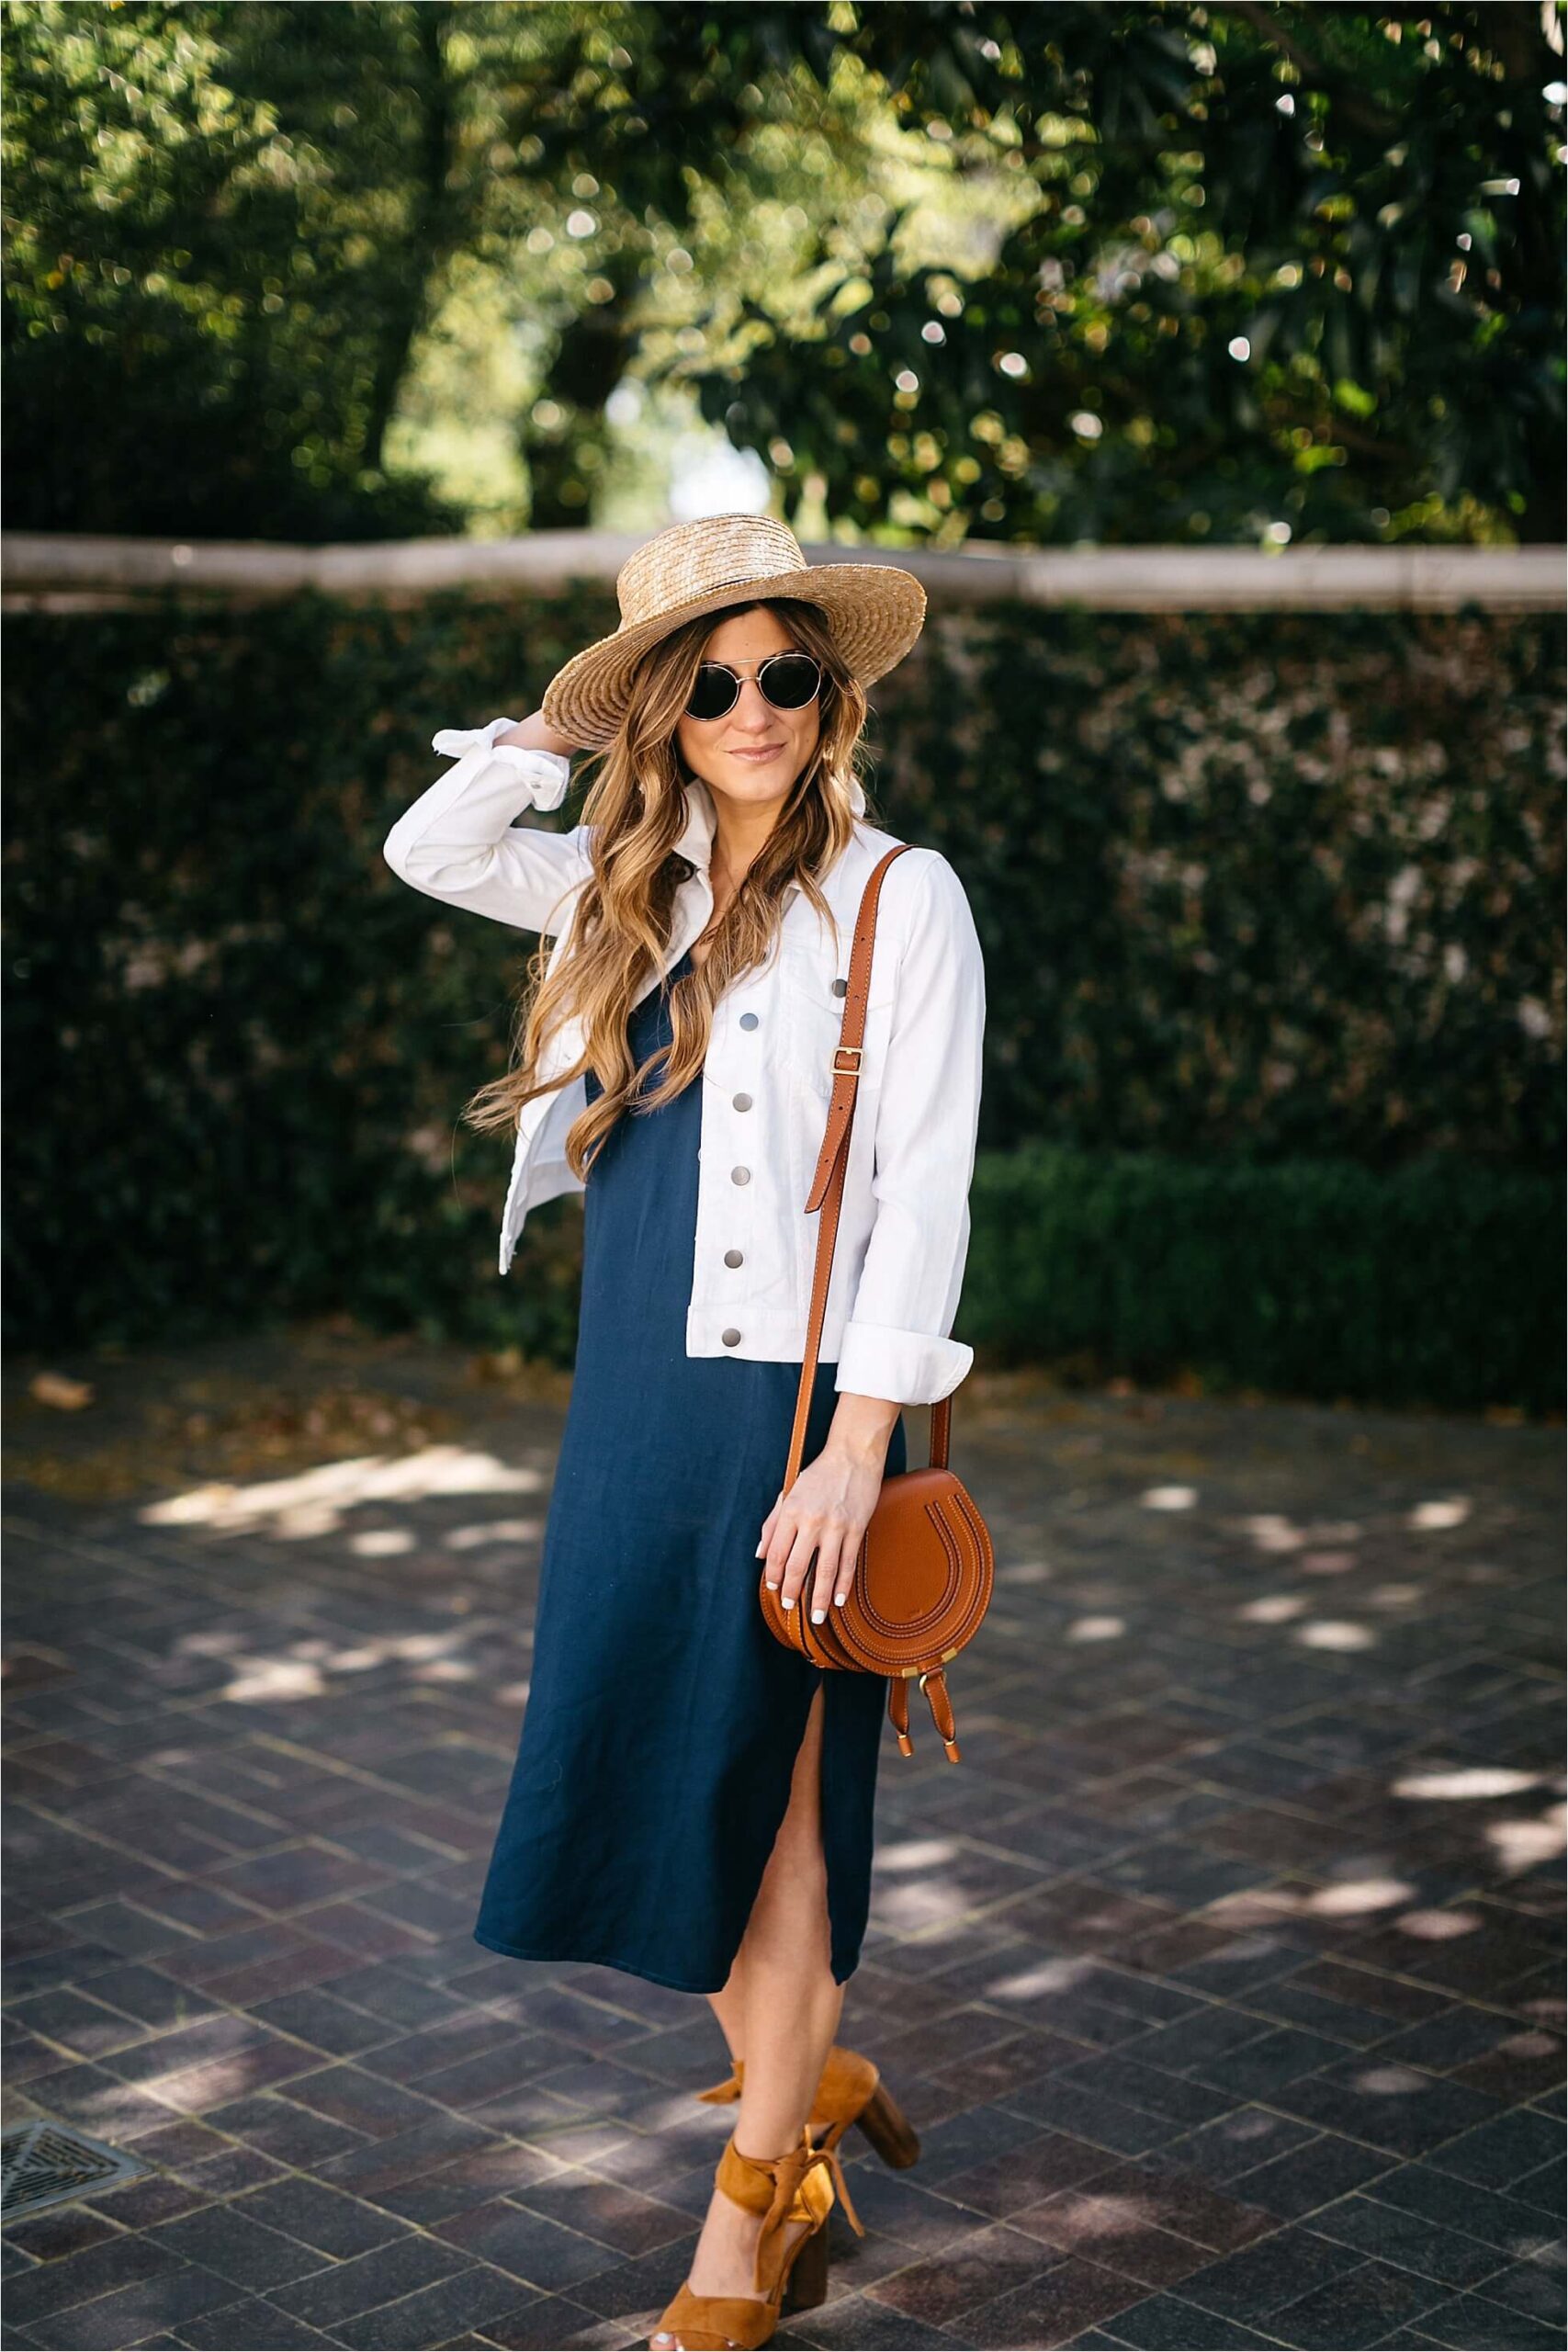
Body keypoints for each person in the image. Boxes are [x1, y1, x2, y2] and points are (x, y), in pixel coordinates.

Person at [382, 512, 987, 2351]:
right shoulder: (615, 884)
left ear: (832, 690)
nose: (751, 707)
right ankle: (805, 2071)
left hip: (795, 1400)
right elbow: (430, 842)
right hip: (632, 1374)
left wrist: (851, 1445)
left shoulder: (900, 897)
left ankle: (747, 2220)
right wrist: (565, 727)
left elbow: (924, 1195)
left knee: (780, 1806)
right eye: (707, 679)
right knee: (647, 1747)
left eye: (783, 672)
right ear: (665, 701)